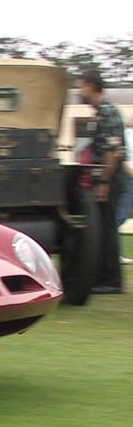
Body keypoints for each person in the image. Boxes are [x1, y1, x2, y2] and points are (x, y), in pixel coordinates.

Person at [76, 71, 126, 294]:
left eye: (81, 86)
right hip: (103, 177)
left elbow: (112, 151)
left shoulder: (107, 112)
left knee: (106, 228)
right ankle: (101, 277)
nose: (79, 91)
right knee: (101, 228)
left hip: (109, 177)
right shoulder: (100, 113)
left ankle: (111, 281)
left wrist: (104, 181)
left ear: (91, 86)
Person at [116, 114, 133, 265]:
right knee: (120, 216)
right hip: (129, 179)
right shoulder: (127, 135)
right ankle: (115, 254)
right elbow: (125, 160)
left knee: (120, 215)